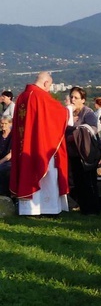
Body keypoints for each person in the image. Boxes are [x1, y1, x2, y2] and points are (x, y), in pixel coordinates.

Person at [10, 71, 70, 216]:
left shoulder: (21, 97)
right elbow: (59, 114)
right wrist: (69, 110)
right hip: (40, 145)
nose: (49, 90)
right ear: (46, 83)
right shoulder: (40, 96)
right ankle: (47, 208)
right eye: (49, 86)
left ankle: (28, 210)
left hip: (24, 145)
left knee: (26, 171)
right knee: (46, 173)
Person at [66, 86, 100, 215]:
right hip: (73, 153)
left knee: (88, 181)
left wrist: (76, 131)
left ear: (83, 100)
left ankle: (92, 208)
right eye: (71, 97)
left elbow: (93, 129)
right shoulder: (69, 113)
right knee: (77, 180)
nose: (73, 100)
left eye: (76, 97)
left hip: (86, 153)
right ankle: (82, 206)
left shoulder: (88, 113)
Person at [0, 116, 11, 196]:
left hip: (8, 161)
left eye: (5, 123)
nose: (3, 125)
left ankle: (4, 195)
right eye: (1, 123)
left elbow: (11, 154)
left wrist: (0, 162)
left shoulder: (13, 136)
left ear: (10, 124)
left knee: (2, 170)